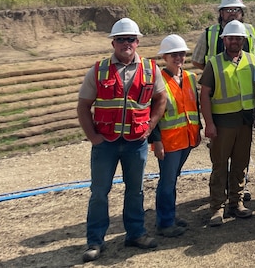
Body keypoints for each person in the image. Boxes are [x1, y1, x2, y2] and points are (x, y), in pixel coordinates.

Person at [77, 18, 167, 262]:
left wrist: (150, 126)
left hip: (136, 141)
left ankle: (136, 234)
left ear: (137, 42)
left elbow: (161, 99)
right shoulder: (98, 70)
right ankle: (95, 240)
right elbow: (84, 105)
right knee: (99, 192)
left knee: (135, 191)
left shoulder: (150, 69)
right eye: (121, 39)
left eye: (130, 39)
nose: (126, 43)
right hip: (105, 142)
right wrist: (93, 137)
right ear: (113, 42)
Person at [199, 20, 255, 226]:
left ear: (243, 40)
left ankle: (236, 203)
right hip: (222, 124)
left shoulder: (251, 60)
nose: (235, 41)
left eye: (239, 38)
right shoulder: (214, 63)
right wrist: (209, 123)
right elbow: (204, 95)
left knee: (241, 164)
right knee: (220, 165)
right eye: (231, 38)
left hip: (244, 122)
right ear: (224, 40)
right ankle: (216, 207)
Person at [150, 34, 201, 238]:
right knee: (167, 181)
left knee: (173, 179)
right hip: (168, 141)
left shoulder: (189, 78)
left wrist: (198, 131)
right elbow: (151, 113)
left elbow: (194, 107)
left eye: (181, 54)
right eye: (173, 54)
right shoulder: (158, 80)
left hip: (187, 138)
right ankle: (165, 222)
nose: (178, 57)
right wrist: (156, 140)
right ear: (164, 57)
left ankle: (169, 215)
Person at [191, 0, 255, 70]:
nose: (232, 13)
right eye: (228, 10)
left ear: (241, 13)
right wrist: (213, 75)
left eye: (236, 10)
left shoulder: (252, 32)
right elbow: (196, 61)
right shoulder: (208, 34)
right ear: (221, 13)